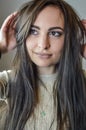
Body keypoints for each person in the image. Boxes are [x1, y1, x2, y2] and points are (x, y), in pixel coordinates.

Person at [0, 0, 86, 130]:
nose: (43, 44)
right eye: (33, 31)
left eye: (55, 33)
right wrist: (1, 47)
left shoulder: (83, 82)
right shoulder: (8, 81)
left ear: (70, 38)